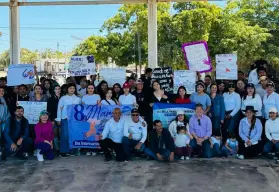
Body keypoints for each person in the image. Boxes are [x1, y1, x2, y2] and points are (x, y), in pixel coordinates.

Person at [56, 83, 81, 158]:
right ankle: (63, 151)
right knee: (65, 135)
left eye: (73, 88)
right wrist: (58, 119)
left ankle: (72, 151)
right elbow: (59, 109)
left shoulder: (78, 99)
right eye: (70, 88)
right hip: (65, 119)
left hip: (74, 120)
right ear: (67, 89)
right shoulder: (63, 98)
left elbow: (80, 109)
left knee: (73, 134)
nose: (72, 90)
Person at [47, 85, 61, 152]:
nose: (58, 90)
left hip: (62, 119)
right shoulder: (50, 99)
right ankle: (57, 149)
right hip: (54, 119)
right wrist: (52, 120)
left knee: (61, 134)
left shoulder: (63, 98)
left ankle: (62, 148)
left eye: (59, 89)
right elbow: (49, 111)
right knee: (55, 134)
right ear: (53, 90)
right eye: (56, 89)